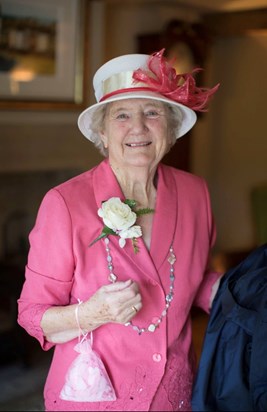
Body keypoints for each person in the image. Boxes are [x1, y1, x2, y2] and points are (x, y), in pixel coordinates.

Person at [18, 49, 221, 411]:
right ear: (102, 131)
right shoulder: (65, 203)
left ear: (171, 126)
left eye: (153, 112)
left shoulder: (195, 193)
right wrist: (94, 312)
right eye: (122, 115)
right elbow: (33, 314)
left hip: (175, 396)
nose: (138, 128)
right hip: (95, 397)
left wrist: (229, 289)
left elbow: (190, 276)